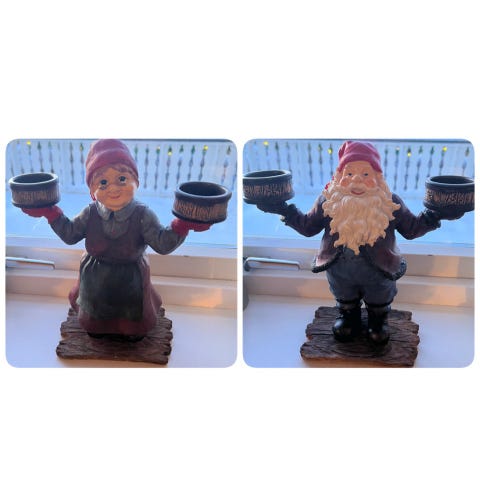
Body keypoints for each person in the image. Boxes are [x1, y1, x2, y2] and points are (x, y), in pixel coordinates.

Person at [257, 140, 449, 345]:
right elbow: (308, 227)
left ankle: (377, 320)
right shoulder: (328, 202)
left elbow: (411, 229)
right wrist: (284, 210)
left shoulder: (389, 203)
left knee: (379, 297)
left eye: (365, 174)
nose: (356, 179)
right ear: (339, 177)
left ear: (378, 177)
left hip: (380, 269)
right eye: (349, 174)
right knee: (344, 295)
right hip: (339, 270)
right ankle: (349, 317)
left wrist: (434, 215)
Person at [21, 139, 209, 341]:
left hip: (131, 278)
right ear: (92, 192)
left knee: (131, 319)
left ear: (136, 183)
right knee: (95, 315)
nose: (113, 188)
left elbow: (162, 243)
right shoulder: (90, 213)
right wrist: (51, 214)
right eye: (102, 182)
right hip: (95, 277)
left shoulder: (143, 215)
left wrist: (183, 225)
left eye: (122, 179)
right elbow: (70, 234)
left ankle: (132, 330)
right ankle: (96, 327)